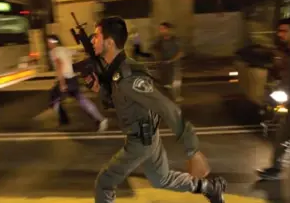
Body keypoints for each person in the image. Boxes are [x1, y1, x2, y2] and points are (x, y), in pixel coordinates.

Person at [87, 16, 227, 203]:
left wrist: (192, 150)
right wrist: (101, 88)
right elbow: (122, 101)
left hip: (140, 141)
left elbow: (167, 107)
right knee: (161, 179)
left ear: (110, 42)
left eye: (96, 36)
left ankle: (209, 186)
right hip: (147, 135)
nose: (92, 40)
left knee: (104, 182)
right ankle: (211, 188)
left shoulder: (127, 77)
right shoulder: (117, 70)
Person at [257, 18, 290, 180]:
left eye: (285, 31)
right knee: (285, 134)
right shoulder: (284, 52)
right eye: (279, 31)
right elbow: (280, 74)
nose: (281, 34)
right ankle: (276, 168)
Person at [47, 35, 108, 132]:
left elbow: (59, 65)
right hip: (73, 79)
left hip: (65, 79)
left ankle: (63, 120)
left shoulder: (54, 51)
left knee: (53, 99)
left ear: (52, 42)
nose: (48, 44)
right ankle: (101, 119)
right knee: (82, 99)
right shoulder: (65, 49)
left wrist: (62, 83)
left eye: (49, 42)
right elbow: (78, 54)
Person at [152, 22, 183, 102]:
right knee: (165, 83)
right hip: (164, 65)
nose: (161, 31)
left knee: (176, 82)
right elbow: (154, 49)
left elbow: (180, 52)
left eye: (163, 29)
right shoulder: (159, 40)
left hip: (174, 64)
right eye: (160, 29)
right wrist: (158, 58)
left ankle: (176, 97)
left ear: (168, 29)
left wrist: (172, 60)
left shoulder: (175, 40)